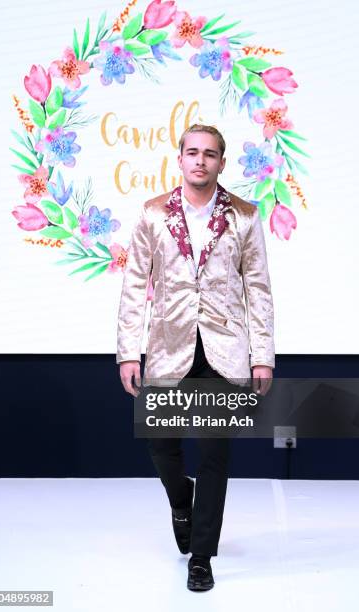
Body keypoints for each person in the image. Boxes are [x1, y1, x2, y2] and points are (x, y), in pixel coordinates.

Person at [116, 124, 275, 591]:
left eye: (210, 154)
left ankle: (201, 555)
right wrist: (129, 352)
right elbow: (133, 285)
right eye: (192, 153)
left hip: (224, 352)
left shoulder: (244, 216)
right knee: (161, 444)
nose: (200, 160)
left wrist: (262, 355)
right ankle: (181, 498)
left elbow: (259, 289)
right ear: (180, 159)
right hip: (168, 346)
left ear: (222, 163)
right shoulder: (152, 214)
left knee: (214, 452)